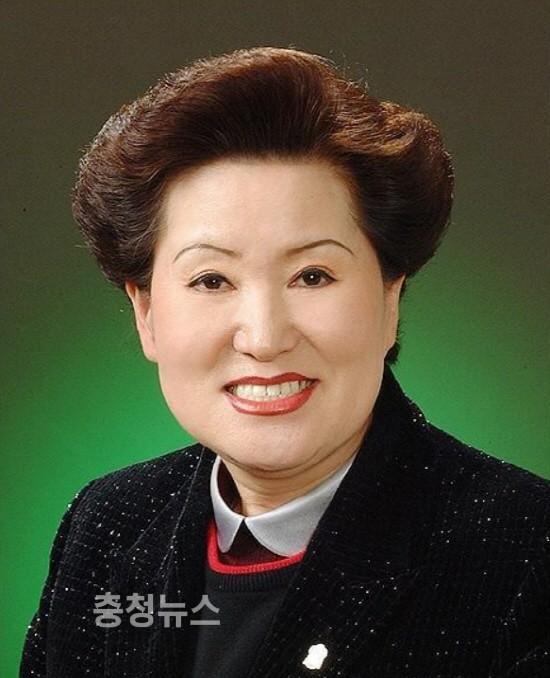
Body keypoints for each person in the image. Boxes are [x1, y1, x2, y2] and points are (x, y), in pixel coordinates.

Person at [21, 47, 549, 678]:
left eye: (313, 275)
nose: (264, 338)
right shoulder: (109, 524)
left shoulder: (526, 553)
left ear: (389, 299)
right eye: (212, 280)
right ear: (147, 313)